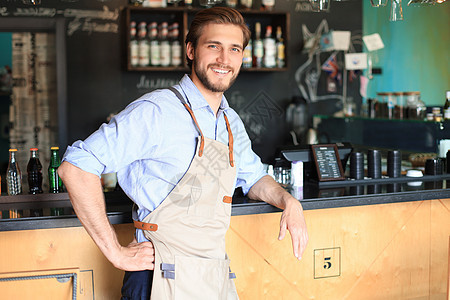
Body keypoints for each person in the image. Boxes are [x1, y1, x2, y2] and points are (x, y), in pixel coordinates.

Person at [58, 7, 308, 300]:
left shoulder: (229, 122)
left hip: (213, 274)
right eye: (213, 46)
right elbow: (76, 166)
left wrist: (289, 201)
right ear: (191, 50)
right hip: (159, 277)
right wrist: (116, 253)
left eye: (234, 49)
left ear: (242, 57)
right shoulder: (157, 111)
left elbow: (253, 178)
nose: (224, 59)